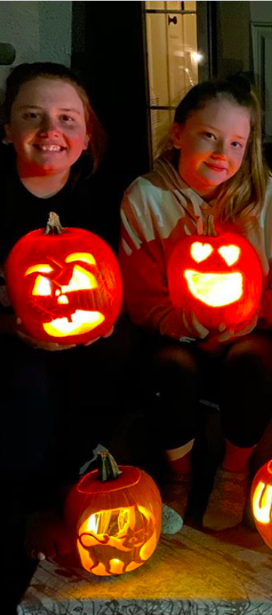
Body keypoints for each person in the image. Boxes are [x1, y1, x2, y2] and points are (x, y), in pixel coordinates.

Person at [119, 78, 272, 534]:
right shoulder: (145, 197)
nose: (223, 152)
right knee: (168, 369)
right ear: (178, 134)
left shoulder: (267, 198)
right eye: (210, 136)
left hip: (247, 331)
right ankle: (180, 475)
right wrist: (188, 323)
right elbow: (141, 298)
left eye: (236, 142)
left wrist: (252, 319)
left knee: (254, 362)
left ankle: (233, 472)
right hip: (173, 333)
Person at [0, 63, 129, 566]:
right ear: (7, 129)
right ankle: (31, 505)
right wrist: (11, 326)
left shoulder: (101, 198)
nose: (50, 131)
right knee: (23, 376)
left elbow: (113, 285)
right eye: (32, 115)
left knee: (114, 356)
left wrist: (106, 322)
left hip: (84, 333)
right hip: (9, 335)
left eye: (67, 118)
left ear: (86, 134)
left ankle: (85, 483)